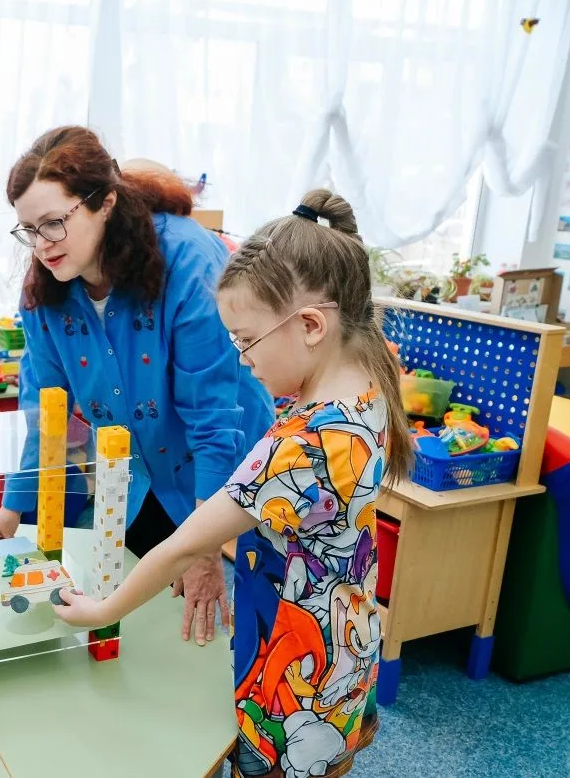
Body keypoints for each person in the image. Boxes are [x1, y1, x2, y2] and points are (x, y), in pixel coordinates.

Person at [56, 189, 410, 778]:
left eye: (247, 339)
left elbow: (185, 545)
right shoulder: (368, 378)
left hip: (293, 679)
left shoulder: (301, 447)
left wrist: (102, 609)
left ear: (312, 325)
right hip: (346, 641)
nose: (242, 359)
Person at [0, 126, 274, 645]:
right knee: (142, 622)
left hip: (224, 472)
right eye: (28, 229)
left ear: (105, 202)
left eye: (54, 223)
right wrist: (14, 508)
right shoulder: (47, 293)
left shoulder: (186, 260)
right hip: (137, 474)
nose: (42, 245)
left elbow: (214, 416)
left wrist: (204, 548)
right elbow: (45, 411)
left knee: (233, 628)